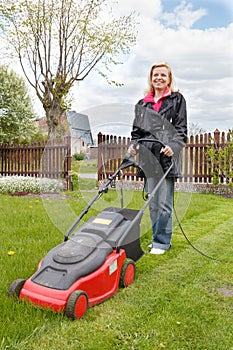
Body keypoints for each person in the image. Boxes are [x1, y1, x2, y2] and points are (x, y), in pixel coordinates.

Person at [128, 62, 187, 255]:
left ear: (169, 78)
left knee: (164, 204)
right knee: (153, 203)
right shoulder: (142, 103)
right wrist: (134, 145)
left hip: (165, 157)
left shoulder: (177, 100)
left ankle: (162, 242)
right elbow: (136, 131)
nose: (159, 78)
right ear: (150, 78)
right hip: (148, 159)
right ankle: (156, 240)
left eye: (163, 75)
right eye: (155, 75)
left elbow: (181, 129)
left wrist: (174, 146)